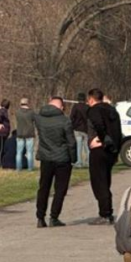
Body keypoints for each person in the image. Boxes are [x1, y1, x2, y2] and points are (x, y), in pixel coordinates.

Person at [34, 97, 77, 227]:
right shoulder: (65, 120)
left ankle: (40, 217)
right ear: (61, 107)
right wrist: (73, 158)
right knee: (60, 189)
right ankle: (54, 216)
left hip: (46, 158)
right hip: (62, 158)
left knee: (44, 188)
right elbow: (71, 142)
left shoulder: (39, 119)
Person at [86, 88, 122, 225]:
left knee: (98, 182)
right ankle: (107, 210)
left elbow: (99, 125)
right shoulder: (112, 110)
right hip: (111, 150)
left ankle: (105, 213)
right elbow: (118, 130)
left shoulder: (94, 110)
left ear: (91, 99)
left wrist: (102, 139)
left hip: (99, 149)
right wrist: (115, 148)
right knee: (106, 180)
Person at [15, 98, 37, 171]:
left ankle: (18, 168)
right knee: (30, 152)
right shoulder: (31, 112)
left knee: (19, 152)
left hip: (20, 133)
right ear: (27, 103)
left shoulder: (17, 112)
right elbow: (35, 120)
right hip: (29, 133)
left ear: (20, 103)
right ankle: (30, 168)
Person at [69, 93, 90, 168]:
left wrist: (73, 126)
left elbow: (71, 117)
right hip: (86, 129)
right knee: (87, 146)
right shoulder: (88, 107)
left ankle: (79, 162)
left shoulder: (75, 107)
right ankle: (88, 162)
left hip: (77, 129)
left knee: (79, 146)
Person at [0, 99, 11, 168]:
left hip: (2, 132)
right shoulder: (3, 111)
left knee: (1, 147)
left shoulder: (2, 110)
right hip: (2, 132)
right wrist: (0, 122)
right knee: (1, 148)